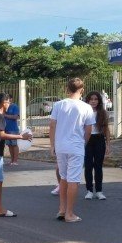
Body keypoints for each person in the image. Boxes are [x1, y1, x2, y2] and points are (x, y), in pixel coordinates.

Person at [50, 77, 95, 223]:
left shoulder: (58, 105)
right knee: (73, 180)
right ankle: (69, 214)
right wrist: (83, 143)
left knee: (63, 178)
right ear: (82, 89)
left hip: (61, 146)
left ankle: (62, 210)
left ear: (67, 89)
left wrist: (53, 145)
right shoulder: (86, 107)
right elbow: (88, 130)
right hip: (76, 146)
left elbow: (52, 126)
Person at [0, 93, 33, 219]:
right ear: (3, 103)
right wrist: (22, 136)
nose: (9, 103)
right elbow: (2, 135)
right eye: (8, 102)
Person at [83, 91, 110, 200]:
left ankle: (99, 191)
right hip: (87, 140)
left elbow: (106, 129)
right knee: (88, 166)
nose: (93, 101)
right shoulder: (84, 112)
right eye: (91, 99)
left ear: (99, 101)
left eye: (96, 99)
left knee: (98, 166)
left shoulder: (102, 113)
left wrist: (108, 144)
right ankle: (89, 190)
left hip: (99, 139)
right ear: (88, 101)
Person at [3, 93, 21, 166]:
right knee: (9, 145)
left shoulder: (14, 106)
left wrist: (5, 115)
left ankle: (15, 161)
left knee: (14, 144)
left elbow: (16, 117)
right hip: (6, 129)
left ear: (10, 99)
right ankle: (12, 160)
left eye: (7, 99)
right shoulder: (4, 107)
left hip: (13, 129)